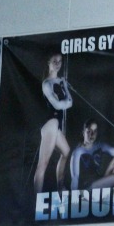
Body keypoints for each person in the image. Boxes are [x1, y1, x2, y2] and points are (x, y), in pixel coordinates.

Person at [34, 53, 73, 192]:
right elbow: (57, 105)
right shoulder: (47, 83)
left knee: (66, 151)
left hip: (56, 125)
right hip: (50, 123)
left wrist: (65, 88)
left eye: (60, 61)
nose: (58, 64)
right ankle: (37, 199)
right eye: (54, 61)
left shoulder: (61, 82)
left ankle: (60, 186)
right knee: (43, 164)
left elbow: (70, 101)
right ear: (48, 63)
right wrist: (66, 102)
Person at [69, 119, 114, 190]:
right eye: (89, 131)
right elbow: (75, 177)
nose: (92, 134)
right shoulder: (78, 152)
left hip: (97, 182)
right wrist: (74, 197)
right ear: (83, 132)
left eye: (95, 131)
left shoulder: (100, 146)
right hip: (86, 187)